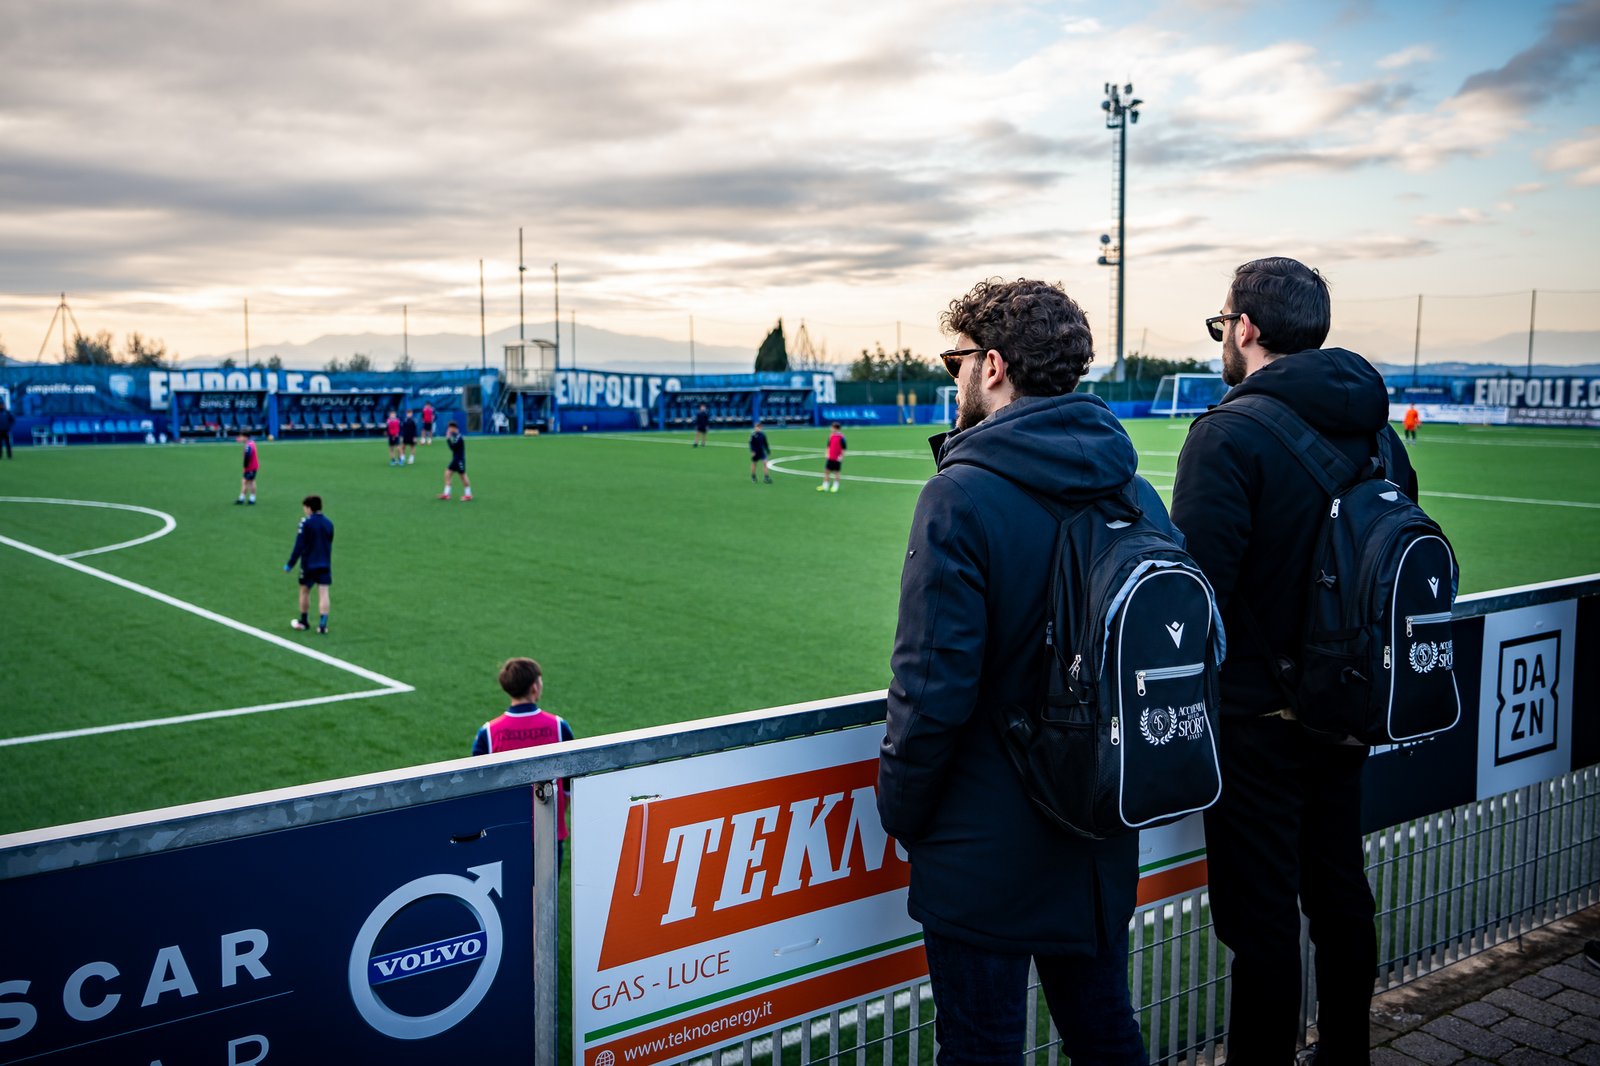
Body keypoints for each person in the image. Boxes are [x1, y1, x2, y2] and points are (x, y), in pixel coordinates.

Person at [877, 277, 1153, 1063]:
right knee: (1105, 1032)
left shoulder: (960, 494)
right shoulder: (1132, 487)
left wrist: (902, 810)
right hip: (1098, 823)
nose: (953, 378)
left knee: (982, 1048)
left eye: (955, 361)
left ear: (992, 366)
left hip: (984, 842)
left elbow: (931, 688)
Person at [1171, 257, 1418, 1066]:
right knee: (1340, 890)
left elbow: (1197, 593)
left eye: (1222, 324)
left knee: (1262, 921)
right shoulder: (1378, 432)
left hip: (1256, 721)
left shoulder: (1226, 434)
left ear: (1245, 328)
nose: (1222, 338)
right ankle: (1347, 1052)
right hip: (1350, 702)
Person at [472, 657, 576, 871]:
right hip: (549, 828)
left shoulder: (488, 732)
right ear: (535, 687)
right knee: (549, 888)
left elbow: (479, 785)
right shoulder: (558, 726)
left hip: (506, 830)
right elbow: (569, 783)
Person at [284, 494, 335, 634]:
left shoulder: (305, 523)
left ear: (309, 508)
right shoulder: (329, 523)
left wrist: (290, 564)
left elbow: (299, 546)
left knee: (304, 591)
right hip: (324, 564)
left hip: (309, 564)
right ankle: (322, 626)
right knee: (324, 592)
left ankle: (304, 622)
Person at [439, 421, 473, 500]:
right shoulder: (456, 436)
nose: (448, 430)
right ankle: (446, 494)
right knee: (447, 473)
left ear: (454, 428)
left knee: (463, 476)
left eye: (449, 428)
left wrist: (448, 439)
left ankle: (468, 495)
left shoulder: (458, 437)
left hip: (459, 461)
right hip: (456, 460)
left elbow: (453, 448)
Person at [818, 421, 847, 493]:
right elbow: (828, 446)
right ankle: (825, 486)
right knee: (826, 471)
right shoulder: (831, 436)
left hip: (837, 458)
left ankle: (835, 486)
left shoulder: (841, 437)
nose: (830, 428)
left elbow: (844, 449)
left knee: (836, 473)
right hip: (830, 457)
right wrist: (827, 453)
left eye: (832, 427)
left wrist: (842, 457)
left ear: (836, 428)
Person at [235, 432, 259, 505]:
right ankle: (251, 499)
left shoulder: (248, 445)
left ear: (245, 437)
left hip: (250, 467)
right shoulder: (251, 442)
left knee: (245, 482)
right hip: (253, 466)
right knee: (251, 481)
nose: (240, 438)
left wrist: (245, 465)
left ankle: (242, 499)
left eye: (241, 436)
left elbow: (248, 455)